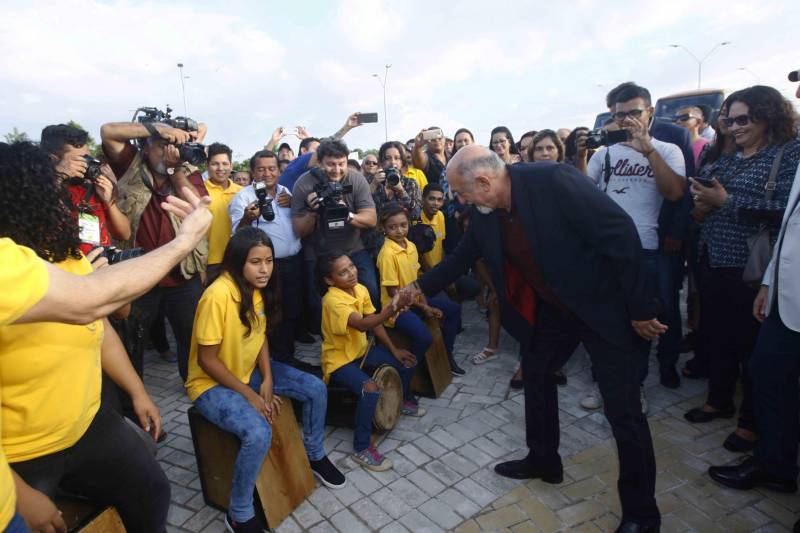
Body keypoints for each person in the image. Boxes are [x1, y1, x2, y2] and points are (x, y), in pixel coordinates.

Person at [413, 145, 664, 533]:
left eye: (460, 192)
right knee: (535, 372)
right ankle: (544, 460)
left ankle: (642, 514)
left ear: (484, 182)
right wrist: (416, 288)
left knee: (624, 411)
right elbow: (459, 258)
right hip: (556, 311)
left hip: (603, 307)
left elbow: (620, 234)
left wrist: (642, 308)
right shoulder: (484, 213)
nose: (457, 200)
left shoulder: (554, 181)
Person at [0, 141, 170, 533]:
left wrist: (137, 392)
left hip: (87, 425)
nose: (65, 205)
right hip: (21, 456)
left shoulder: (68, 257)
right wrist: (20, 494)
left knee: (152, 490)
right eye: (53, 194)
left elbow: (101, 325)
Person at [186, 229, 344, 532]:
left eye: (269, 261)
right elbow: (207, 360)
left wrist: (268, 378)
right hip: (210, 384)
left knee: (315, 388)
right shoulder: (217, 296)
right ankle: (238, 512)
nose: (264, 269)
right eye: (255, 262)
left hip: (250, 372)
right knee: (258, 432)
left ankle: (315, 454)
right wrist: (251, 395)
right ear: (236, 262)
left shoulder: (255, 289)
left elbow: (259, 337)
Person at [684, 85, 800, 453]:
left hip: (751, 268)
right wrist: (702, 205)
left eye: (743, 119)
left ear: (768, 115)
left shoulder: (788, 154)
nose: (734, 127)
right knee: (716, 337)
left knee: (751, 349)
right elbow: (706, 191)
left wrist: (726, 201)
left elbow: (786, 211)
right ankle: (719, 400)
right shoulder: (729, 155)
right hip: (711, 258)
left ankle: (751, 424)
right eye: (729, 120)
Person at [583, 83, 686, 412]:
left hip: (645, 249)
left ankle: (634, 385)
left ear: (650, 112)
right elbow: (582, 194)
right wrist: (581, 153)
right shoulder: (605, 153)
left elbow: (674, 193)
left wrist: (648, 150)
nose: (627, 120)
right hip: (604, 250)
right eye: (619, 115)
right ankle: (602, 383)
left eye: (634, 113)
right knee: (604, 322)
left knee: (642, 321)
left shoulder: (668, 150)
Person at [100, 116, 210, 382]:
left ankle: (193, 385)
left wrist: (176, 169)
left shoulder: (186, 170)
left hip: (182, 276)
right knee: (131, 339)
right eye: (161, 145)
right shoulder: (130, 163)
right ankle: (131, 394)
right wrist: (160, 129)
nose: (167, 151)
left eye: (172, 145)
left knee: (191, 337)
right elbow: (108, 131)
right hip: (137, 274)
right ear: (145, 147)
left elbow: (199, 207)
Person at [318, 252, 417, 471]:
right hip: (339, 361)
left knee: (406, 361)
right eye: (342, 272)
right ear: (329, 280)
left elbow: (375, 323)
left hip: (361, 351)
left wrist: (394, 349)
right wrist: (393, 307)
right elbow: (362, 324)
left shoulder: (360, 289)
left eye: (351, 266)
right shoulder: (332, 301)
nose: (351, 273)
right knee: (370, 390)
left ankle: (403, 401)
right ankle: (362, 448)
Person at [291, 138, 379, 331]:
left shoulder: (356, 179)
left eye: (342, 164)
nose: (337, 170)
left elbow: (371, 219)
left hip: (352, 248)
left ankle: (369, 334)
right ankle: (330, 342)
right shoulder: (304, 184)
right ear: (320, 163)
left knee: (370, 289)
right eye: (331, 164)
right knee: (318, 304)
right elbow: (299, 231)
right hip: (318, 252)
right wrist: (312, 210)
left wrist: (347, 215)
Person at [229, 151, 301, 363]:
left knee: (292, 312)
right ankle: (271, 362)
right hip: (266, 269)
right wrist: (246, 218)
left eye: (272, 168)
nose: (267, 173)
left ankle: (287, 358)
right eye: (261, 169)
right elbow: (236, 235)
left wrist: (294, 202)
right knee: (271, 314)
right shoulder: (243, 197)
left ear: (279, 171)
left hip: (293, 263)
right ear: (253, 172)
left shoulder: (286, 192)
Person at [377, 205, 463, 376]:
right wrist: (425, 308)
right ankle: (406, 378)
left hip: (414, 301)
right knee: (424, 338)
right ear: (383, 229)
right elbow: (395, 294)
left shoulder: (411, 246)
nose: (399, 231)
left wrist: (425, 304)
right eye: (392, 227)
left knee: (454, 309)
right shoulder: (387, 254)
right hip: (396, 308)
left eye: (403, 225)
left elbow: (418, 284)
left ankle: (446, 356)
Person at [40, 124, 132, 255]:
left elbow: (125, 234)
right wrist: (58, 177)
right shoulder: (38, 189)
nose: (86, 165)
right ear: (53, 159)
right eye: (80, 160)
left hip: (100, 268)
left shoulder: (93, 187)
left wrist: (109, 202)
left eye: (88, 157)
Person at [204, 142, 242, 278]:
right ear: (206, 166)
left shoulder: (242, 192)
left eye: (225, 164)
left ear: (231, 166)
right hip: (210, 263)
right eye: (215, 164)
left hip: (240, 259)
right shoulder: (198, 191)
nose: (221, 168)